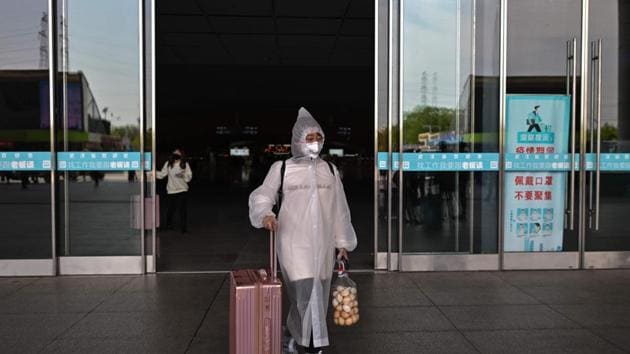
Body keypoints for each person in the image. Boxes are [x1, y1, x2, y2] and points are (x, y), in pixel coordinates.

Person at [248, 107, 357, 354]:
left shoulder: (329, 170)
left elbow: (339, 208)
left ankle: (294, 337)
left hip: (323, 244)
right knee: (306, 293)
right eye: (309, 138)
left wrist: (342, 243)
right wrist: (265, 214)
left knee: (314, 294)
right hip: (293, 243)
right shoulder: (282, 168)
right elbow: (263, 194)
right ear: (298, 140)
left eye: (318, 138)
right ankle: (311, 345)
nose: (315, 143)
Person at [156, 148, 192, 233]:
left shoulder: (184, 164)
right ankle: (169, 223)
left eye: (177, 153)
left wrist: (183, 175)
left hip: (182, 189)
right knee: (171, 209)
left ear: (181, 155)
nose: (176, 154)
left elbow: (189, 177)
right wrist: (152, 173)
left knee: (183, 209)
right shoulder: (168, 164)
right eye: (174, 153)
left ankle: (184, 228)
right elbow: (162, 175)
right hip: (171, 190)